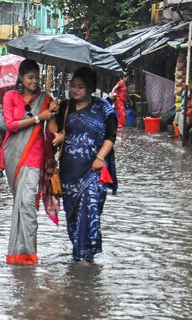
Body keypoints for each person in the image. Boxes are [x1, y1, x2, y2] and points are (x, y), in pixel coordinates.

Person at [53, 66, 118, 263]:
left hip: (93, 171)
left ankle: (84, 259)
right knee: (72, 218)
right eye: (72, 86)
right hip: (69, 171)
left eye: (80, 87)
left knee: (90, 210)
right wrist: (51, 119)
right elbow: (54, 134)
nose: (75, 90)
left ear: (90, 88)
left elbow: (111, 136)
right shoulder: (64, 107)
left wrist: (100, 158)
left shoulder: (103, 109)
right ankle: (80, 255)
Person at [1, 59, 60, 265]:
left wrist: (54, 114)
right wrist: (38, 117)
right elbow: (10, 125)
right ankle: (18, 253)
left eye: (37, 77)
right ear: (21, 78)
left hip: (35, 157)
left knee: (27, 204)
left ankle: (28, 253)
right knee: (20, 203)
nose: (34, 81)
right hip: (13, 156)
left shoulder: (46, 100)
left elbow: (52, 133)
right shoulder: (10, 96)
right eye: (30, 77)